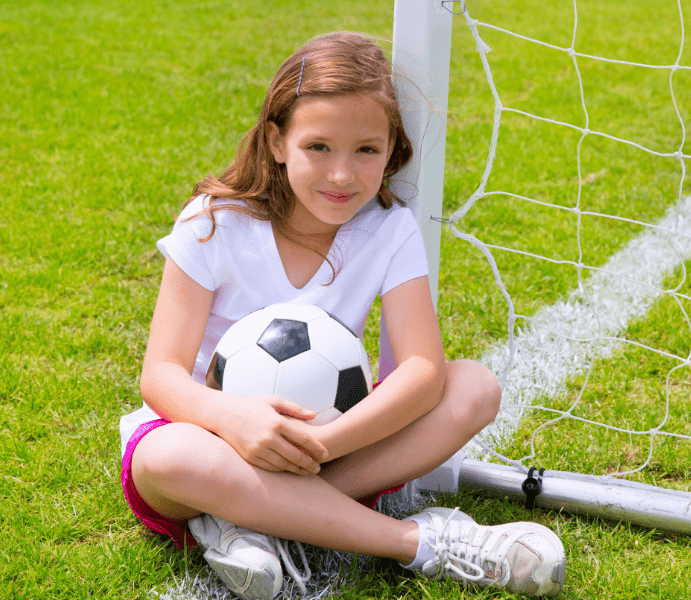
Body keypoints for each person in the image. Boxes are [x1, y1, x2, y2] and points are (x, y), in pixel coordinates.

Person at [119, 32, 566, 599]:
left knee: (473, 387)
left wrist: (322, 444)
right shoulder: (213, 222)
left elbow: (424, 372)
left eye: (366, 151)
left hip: (334, 445)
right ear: (278, 141)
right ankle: (418, 543)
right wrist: (235, 421)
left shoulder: (388, 230)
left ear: (391, 150)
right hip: (209, 439)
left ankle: (253, 518)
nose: (341, 176)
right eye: (319, 147)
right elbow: (160, 375)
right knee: (169, 456)